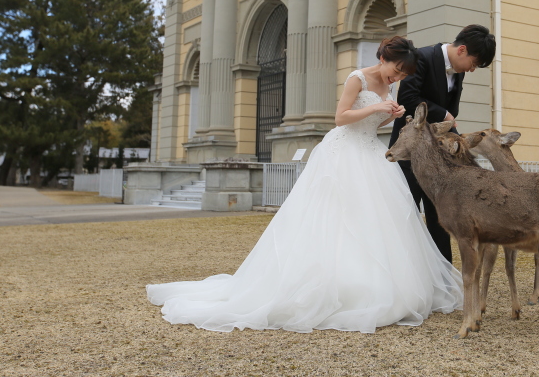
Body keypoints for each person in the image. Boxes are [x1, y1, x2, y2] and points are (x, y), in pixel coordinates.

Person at [147, 36, 463, 333]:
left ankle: (378, 283)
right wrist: (377, 107)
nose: (396, 79)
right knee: (335, 215)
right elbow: (341, 117)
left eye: (401, 76)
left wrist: (391, 113)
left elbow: (371, 122)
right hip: (344, 151)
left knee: (375, 217)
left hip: (370, 152)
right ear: (383, 58)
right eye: (395, 71)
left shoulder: (390, 85)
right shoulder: (358, 78)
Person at [388, 25, 496, 262]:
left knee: (440, 216)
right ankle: (402, 269)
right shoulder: (422, 57)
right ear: (462, 50)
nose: (473, 69)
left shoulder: (459, 70)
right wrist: (444, 114)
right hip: (411, 153)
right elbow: (407, 99)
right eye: (474, 63)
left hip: (438, 160)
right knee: (406, 212)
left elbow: (451, 110)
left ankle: (443, 277)